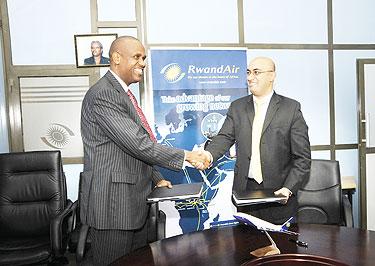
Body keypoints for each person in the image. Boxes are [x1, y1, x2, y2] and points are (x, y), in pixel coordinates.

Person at [80, 36, 209, 265]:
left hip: (132, 203)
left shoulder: (124, 94)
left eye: (144, 58)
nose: (142, 63)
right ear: (117, 58)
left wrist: (157, 178)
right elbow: (138, 144)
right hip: (113, 207)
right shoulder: (104, 94)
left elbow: (131, 151)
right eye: (137, 57)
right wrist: (187, 156)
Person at [204, 56, 311, 224]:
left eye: (256, 72)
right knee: (247, 246)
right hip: (246, 194)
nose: (249, 77)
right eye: (248, 72)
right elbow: (224, 138)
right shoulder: (237, 107)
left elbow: (302, 159)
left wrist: (288, 188)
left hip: (279, 194)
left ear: (271, 76)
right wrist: (207, 156)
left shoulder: (290, 109)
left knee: (282, 248)